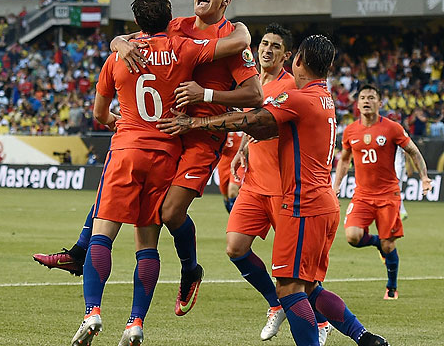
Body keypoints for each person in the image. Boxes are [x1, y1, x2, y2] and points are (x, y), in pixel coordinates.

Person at [35, 0, 262, 318]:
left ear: (225, 2)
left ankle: (190, 270)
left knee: (169, 213)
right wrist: (119, 43)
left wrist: (207, 94)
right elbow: (138, 35)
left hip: (204, 132)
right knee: (121, 167)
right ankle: (82, 250)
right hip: (171, 130)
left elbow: (255, 95)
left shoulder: (232, 37)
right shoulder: (178, 27)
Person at [157, 35, 389, 346]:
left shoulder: (296, 98)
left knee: (289, 291)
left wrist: (194, 124)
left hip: (302, 205)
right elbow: (260, 126)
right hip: (322, 204)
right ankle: (365, 337)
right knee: (306, 288)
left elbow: (249, 120)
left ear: (297, 61)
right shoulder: (324, 97)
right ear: (329, 68)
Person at [226, 23, 332, 344]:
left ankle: (322, 321)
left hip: (283, 188)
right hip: (254, 184)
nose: (267, 50)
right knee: (235, 248)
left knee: (296, 274)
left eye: (275, 46)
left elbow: (268, 123)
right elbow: (256, 125)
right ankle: (275, 304)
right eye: (264, 44)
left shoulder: (291, 88)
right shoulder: (253, 84)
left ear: (289, 57)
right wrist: (242, 151)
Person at [332, 84, 432, 300]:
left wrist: (424, 177)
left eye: (371, 97)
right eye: (363, 98)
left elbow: (413, 151)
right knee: (353, 236)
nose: (367, 101)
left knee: (389, 245)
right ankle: (376, 242)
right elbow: (345, 160)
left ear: (380, 103)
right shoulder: (350, 131)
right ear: (357, 104)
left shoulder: (392, 128)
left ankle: (391, 286)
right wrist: (336, 184)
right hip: (362, 195)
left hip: (388, 195)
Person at [216, 130, 244, 213]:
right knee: (226, 195)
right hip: (224, 161)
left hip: (240, 160)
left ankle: (239, 222)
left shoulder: (245, 120)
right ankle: (233, 219)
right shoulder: (225, 120)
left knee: (232, 191)